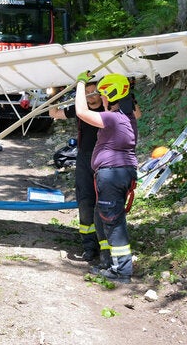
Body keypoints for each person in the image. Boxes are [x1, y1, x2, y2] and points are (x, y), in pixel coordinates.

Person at [73, 73, 138, 284]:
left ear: (110, 95)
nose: (100, 98)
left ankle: (122, 271)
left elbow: (81, 112)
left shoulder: (113, 118)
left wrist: (81, 84)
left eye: (102, 94)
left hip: (111, 175)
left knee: (112, 222)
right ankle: (111, 264)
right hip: (117, 173)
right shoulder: (127, 117)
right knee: (105, 220)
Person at [50, 80, 104, 262]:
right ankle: (89, 246)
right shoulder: (80, 109)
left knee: (104, 201)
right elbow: (54, 113)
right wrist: (54, 93)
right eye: (87, 92)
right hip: (83, 158)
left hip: (104, 157)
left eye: (94, 92)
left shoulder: (108, 109)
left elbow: (136, 114)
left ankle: (105, 247)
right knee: (85, 202)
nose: (90, 96)